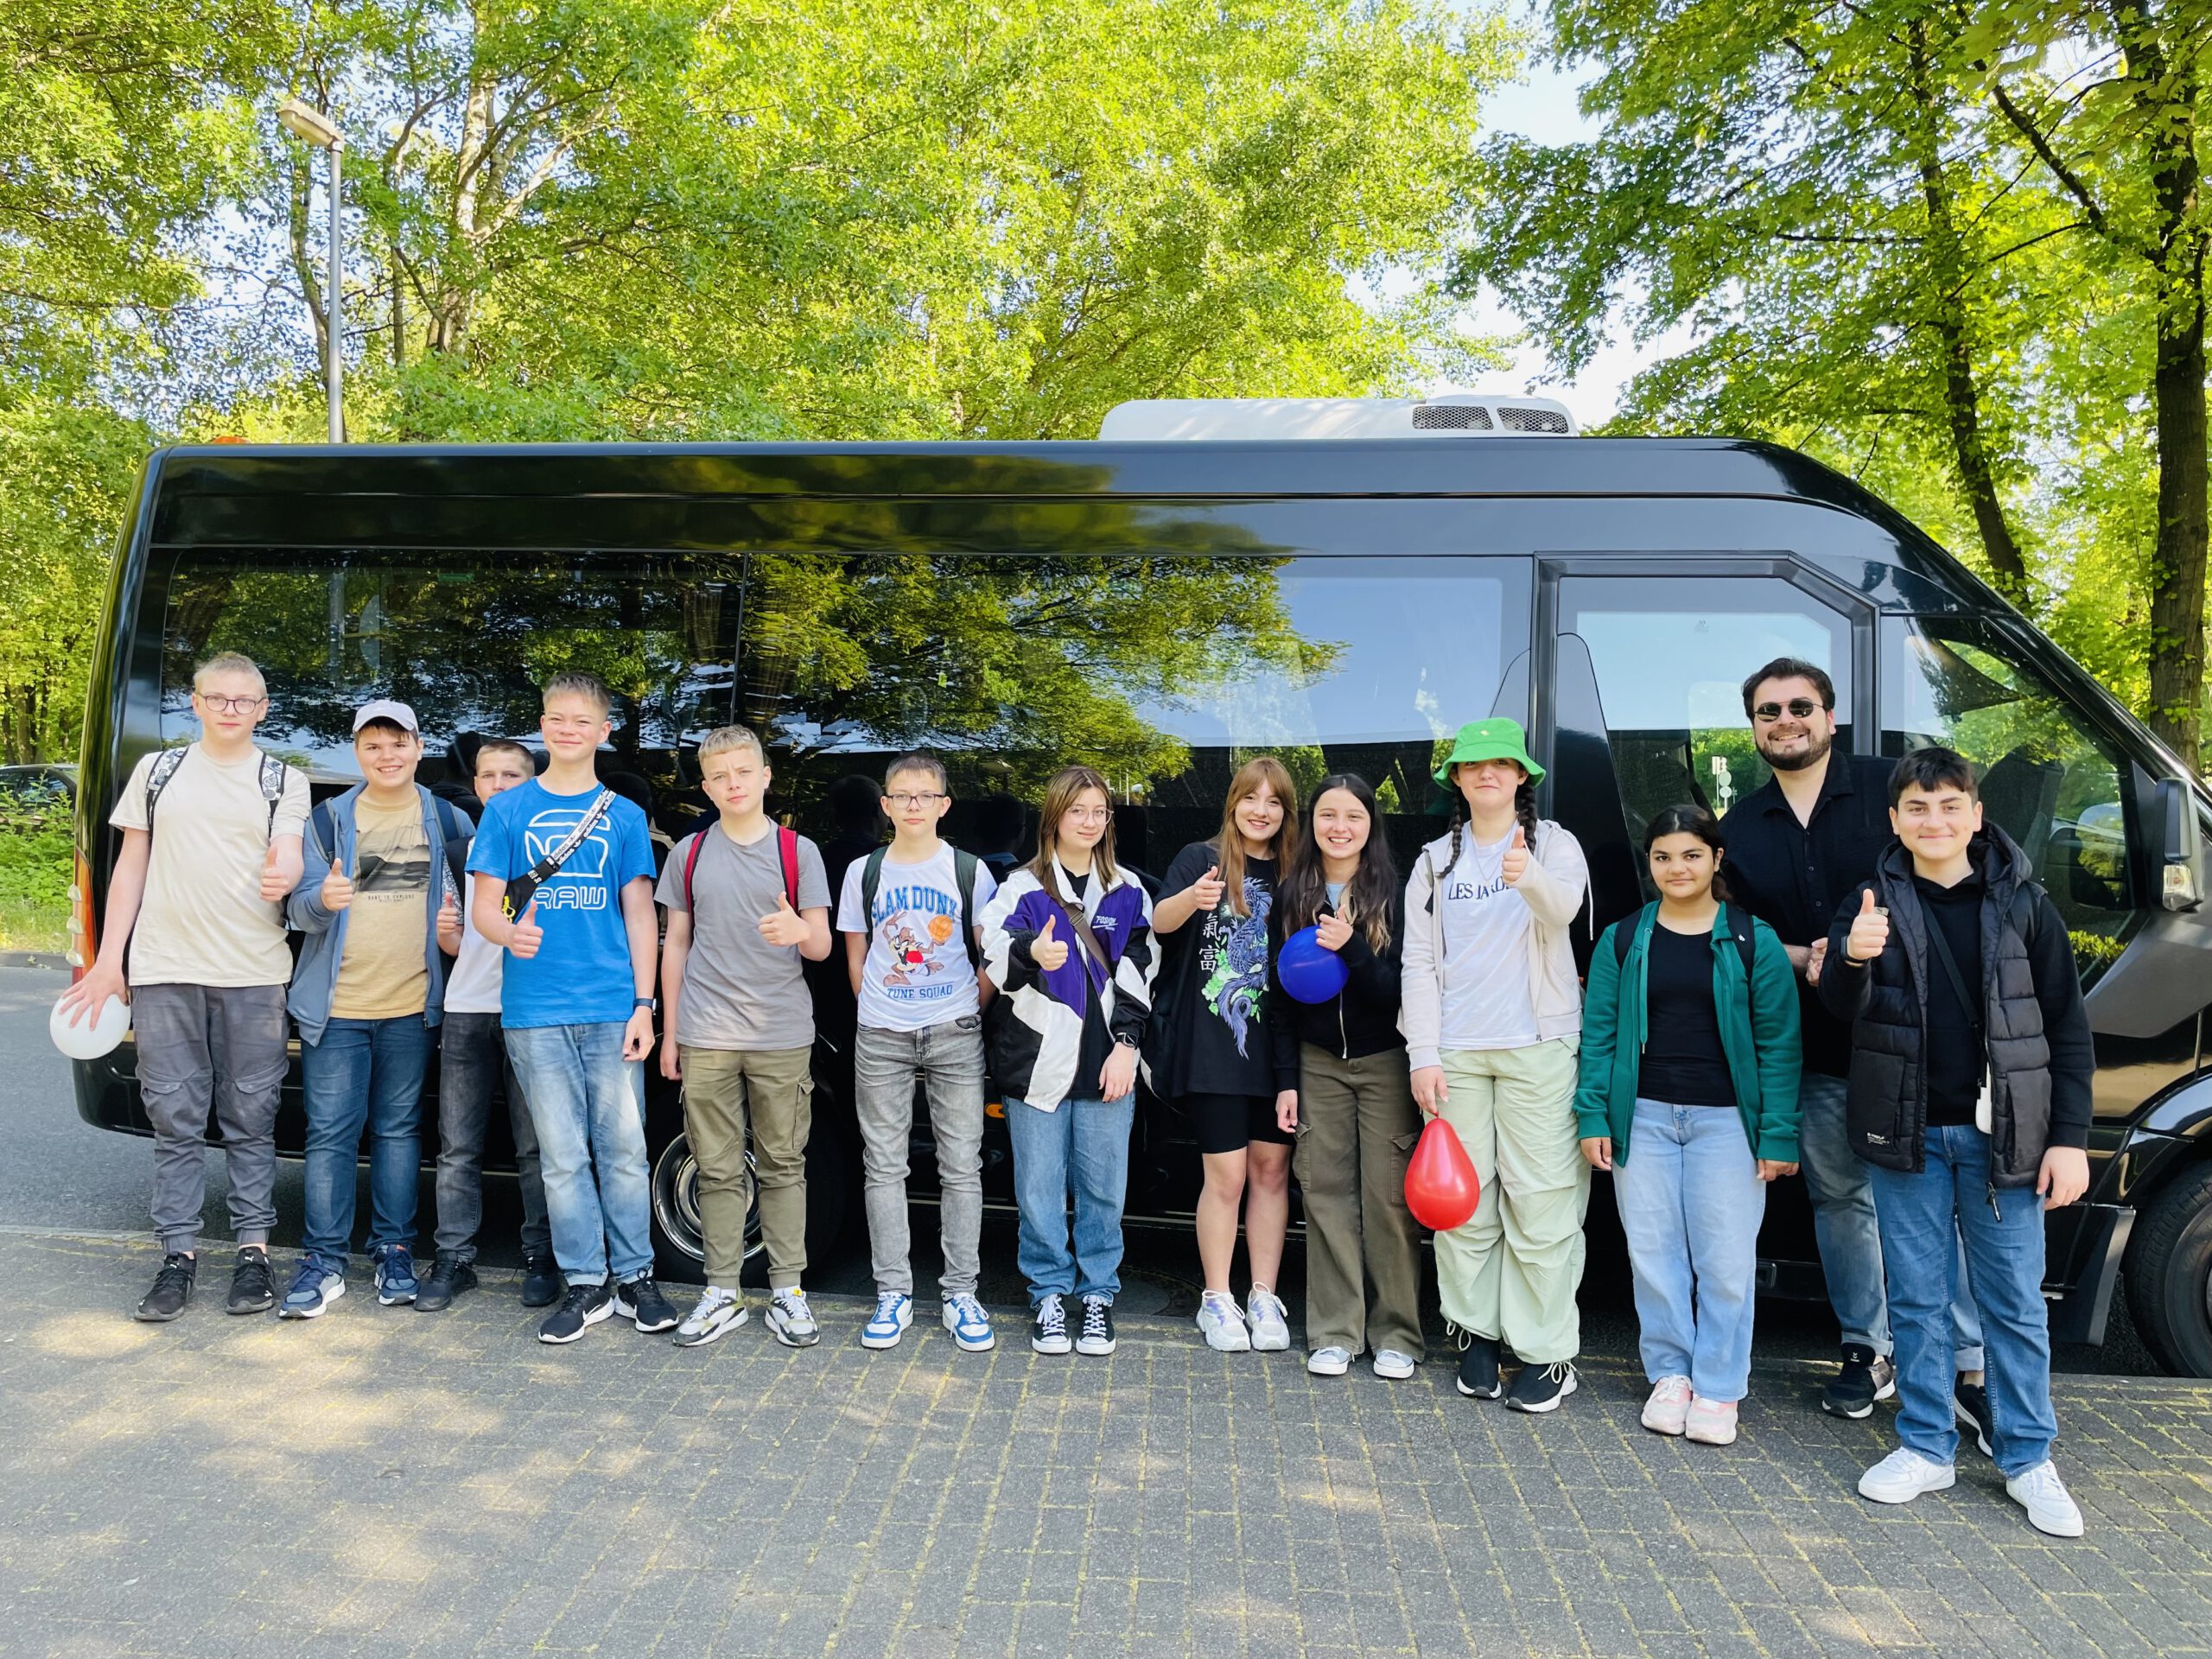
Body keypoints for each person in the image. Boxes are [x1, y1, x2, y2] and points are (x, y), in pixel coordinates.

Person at [1821, 748, 2094, 1538]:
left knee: (2013, 1301)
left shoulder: (2025, 904)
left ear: (1976, 814)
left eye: (1948, 806)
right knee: (1915, 1297)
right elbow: (1841, 1008)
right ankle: (1927, 1445)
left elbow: (2066, 1030)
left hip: (2006, 1138)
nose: (1932, 821)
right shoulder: (1869, 901)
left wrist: (2068, 1140)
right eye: (1916, 808)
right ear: (1895, 819)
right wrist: (1850, 955)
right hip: (1906, 1132)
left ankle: (2028, 1457)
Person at [1720, 657, 1987, 1425]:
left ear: (1830, 716)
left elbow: (1961, 871)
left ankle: (1967, 1367)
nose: (1785, 720)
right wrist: (1798, 956)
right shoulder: (1739, 828)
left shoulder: (1891, 790)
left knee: (1944, 1204)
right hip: (1813, 1047)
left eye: (1800, 705)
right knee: (1841, 1200)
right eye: (1768, 711)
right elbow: (1737, 927)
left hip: (1913, 1040)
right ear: (1755, 729)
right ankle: (1867, 1350)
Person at [60, 652, 308, 1321]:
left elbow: (289, 848)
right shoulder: (158, 770)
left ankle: (253, 1254)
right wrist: (110, 961)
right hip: (165, 968)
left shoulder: (283, 779)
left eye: (244, 700)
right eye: (218, 698)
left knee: (251, 1118)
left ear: (263, 709)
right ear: (196, 704)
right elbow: (129, 867)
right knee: (174, 1118)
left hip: (254, 974)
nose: (231, 709)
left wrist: (284, 869)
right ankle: (178, 1257)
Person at [1576, 805, 1802, 1445]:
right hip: (1641, 1120)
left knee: (1726, 1262)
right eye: (1663, 857)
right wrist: (1593, 1112)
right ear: (1650, 865)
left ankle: (1721, 1388)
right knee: (1654, 1257)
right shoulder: (1623, 939)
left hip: (1727, 1124)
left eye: (1691, 855)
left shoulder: (1752, 940)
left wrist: (1778, 1133)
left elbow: (1780, 1045)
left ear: (1717, 860)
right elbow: (1597, 1037)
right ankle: (1671, 1374)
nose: (1678, 869)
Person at [467, 671, 679, 1344]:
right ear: (543, 724)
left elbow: (641, 916)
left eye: (581, 721)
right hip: (533, 1009)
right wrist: (507, 931)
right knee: (561, 1156)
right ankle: (585, 1283)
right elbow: (484, 908)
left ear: (603, 731)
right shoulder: (507, 810)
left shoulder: (620, 815)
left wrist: (645, 1006)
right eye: (556, 718)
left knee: (622, 1151)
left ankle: (636, 1277)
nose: (567, 730)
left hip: (612, 1006)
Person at [1402, 717, 1591, 1414]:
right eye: (1473, 765)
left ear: (1521, 777)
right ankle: (1476, 1332)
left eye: (1501, 764)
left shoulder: (1554, 844)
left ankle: (1545, 1351)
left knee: (1542, 1202)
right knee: (1462, 1205)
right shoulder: (1431, 862)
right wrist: (1423, 1053)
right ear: (1457, 778)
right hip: (1455, 1051)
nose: (1487, 774)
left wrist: (1528, 875)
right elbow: (1417, 963)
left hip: (1538, 1047)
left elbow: (1564, 909)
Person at [280, 700, 470, 1318]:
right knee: (331, 1135)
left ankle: (393, 1249)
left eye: (398, 743)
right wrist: (323, 899)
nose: (387, 756)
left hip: (412, 1006)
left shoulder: (446, 820)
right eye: (373, 745)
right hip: (336, 1011)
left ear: (418, 747)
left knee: (398, 1133)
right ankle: (324, 1260)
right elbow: (296, 911)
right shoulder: (330, 819)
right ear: (357, 753)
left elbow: (476, 901)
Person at [656, 725, 834, 1349]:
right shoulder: (690, 853)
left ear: (765, 777)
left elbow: (823, 944)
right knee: (716, 1167)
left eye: (743, 771)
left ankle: (788, 1292)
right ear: (707, 786)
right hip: (706, 1031)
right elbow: (675, 943)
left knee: (784, 1163)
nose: (733, 783)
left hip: (781, 1033)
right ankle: (722, 1291)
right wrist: (670, 1033)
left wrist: (797, 933)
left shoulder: (797, 851)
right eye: (720, 776)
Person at [981, 766, 1155, 1357]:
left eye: (1100, 811)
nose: (1090, 820)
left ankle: (1099, 1295)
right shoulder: (1019, 887)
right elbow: (995, 959)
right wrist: (1032, 949)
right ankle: (1050, 1294)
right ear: (1054, 816)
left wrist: (1128, 1047)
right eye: (1078, 810)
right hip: (1036, 1065)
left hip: (1109, 1065)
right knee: (1038, 1189)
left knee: (1105, 1189)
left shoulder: (1130, 889)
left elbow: (1142, 973)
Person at [836, 752, 1000, 1352]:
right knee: (884, 1165)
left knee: (962, 1166)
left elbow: (990, 955)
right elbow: (856, 955)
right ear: (885, 805)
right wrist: (875, 1006)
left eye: (924, 796)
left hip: (953, 1029)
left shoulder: (970, 871)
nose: (912, 805)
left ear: (943, 805)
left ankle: (960, 1292)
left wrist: (966, 1008)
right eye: (901, 796)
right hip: (882, 1032)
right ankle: (893, 1292)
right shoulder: (864, 872)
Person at [1267, 773, 1422, 1381]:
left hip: (1385, 1061)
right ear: (1312, 824)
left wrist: (1354, 948)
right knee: (1326, 1194)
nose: (1339, 827)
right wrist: (1286, 1079)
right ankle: (1334, 1331)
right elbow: (1279, 1000)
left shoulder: (1396, 890)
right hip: (1316, 1064)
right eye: (1328, 815)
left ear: (1370, 826)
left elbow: (1398, 995)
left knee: (1388, 1199)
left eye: (1353, 816)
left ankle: (1398, 1336)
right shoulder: (1292, 894)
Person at [1150, 757, 1298, 1352]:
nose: (1261, 811)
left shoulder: (1294, 872)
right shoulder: (1200, 858)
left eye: (1275, 802)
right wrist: (1193, 897)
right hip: (1212, 1048)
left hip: (1277, 1047)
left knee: (1271, 1172)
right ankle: (1218, 1298)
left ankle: (1263, 1295)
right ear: (1233, 802)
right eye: (1251, 799)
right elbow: (1159, 925)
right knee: (1227, 1177)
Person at [420, 737, 559, 1313]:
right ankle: (454, 1257)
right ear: (475, 785)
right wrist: (446, 932)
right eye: (487, 775)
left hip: (530, 1010)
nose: (497, 784)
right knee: (457, 1145)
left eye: (510, 775)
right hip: (467, 1008)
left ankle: (541, 1255)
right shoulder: (459, 850)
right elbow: (455, 943)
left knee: (535, 1146)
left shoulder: (549, 850)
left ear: (529, 785)